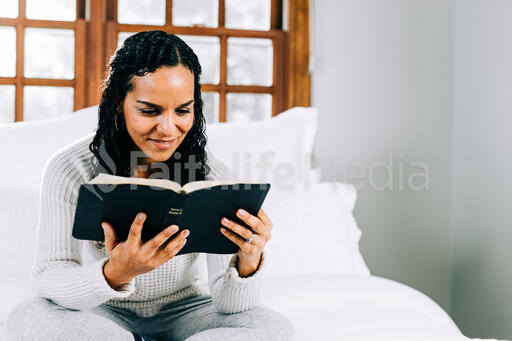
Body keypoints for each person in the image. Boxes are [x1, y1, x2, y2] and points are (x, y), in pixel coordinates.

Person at [6, 30, 294, 341]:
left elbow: (227, 304)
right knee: (28, 318)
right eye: (150, 111)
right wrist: (115, 273)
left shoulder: (214, 175)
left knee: (273, 327)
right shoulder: (69, 169)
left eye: (183, 110)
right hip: (102, 313)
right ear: (119, 102)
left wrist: (248, 262)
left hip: (185, 312)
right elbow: (51, 276)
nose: (169, 128)